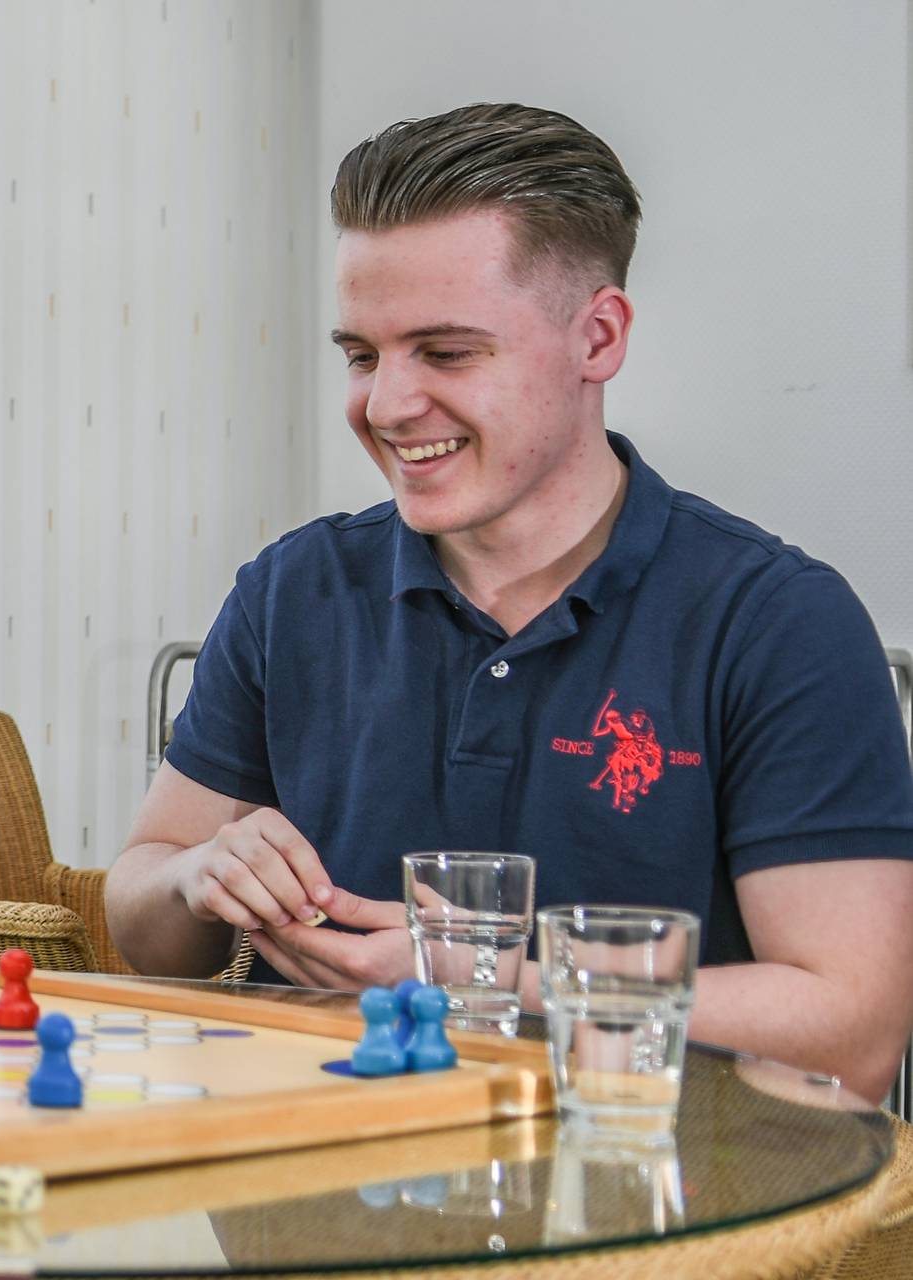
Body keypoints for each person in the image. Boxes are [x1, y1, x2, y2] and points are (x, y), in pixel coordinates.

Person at [106, 103, 913, 1097]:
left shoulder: (780, 625)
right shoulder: (291, 591)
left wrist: (476, 980)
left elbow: (852, 1032)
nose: (386, 405)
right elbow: (146, 918)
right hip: (309, 1171)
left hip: (642, 1185)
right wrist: (197, 878)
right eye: (361, 355)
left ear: (598, 337)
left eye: (446, 353)